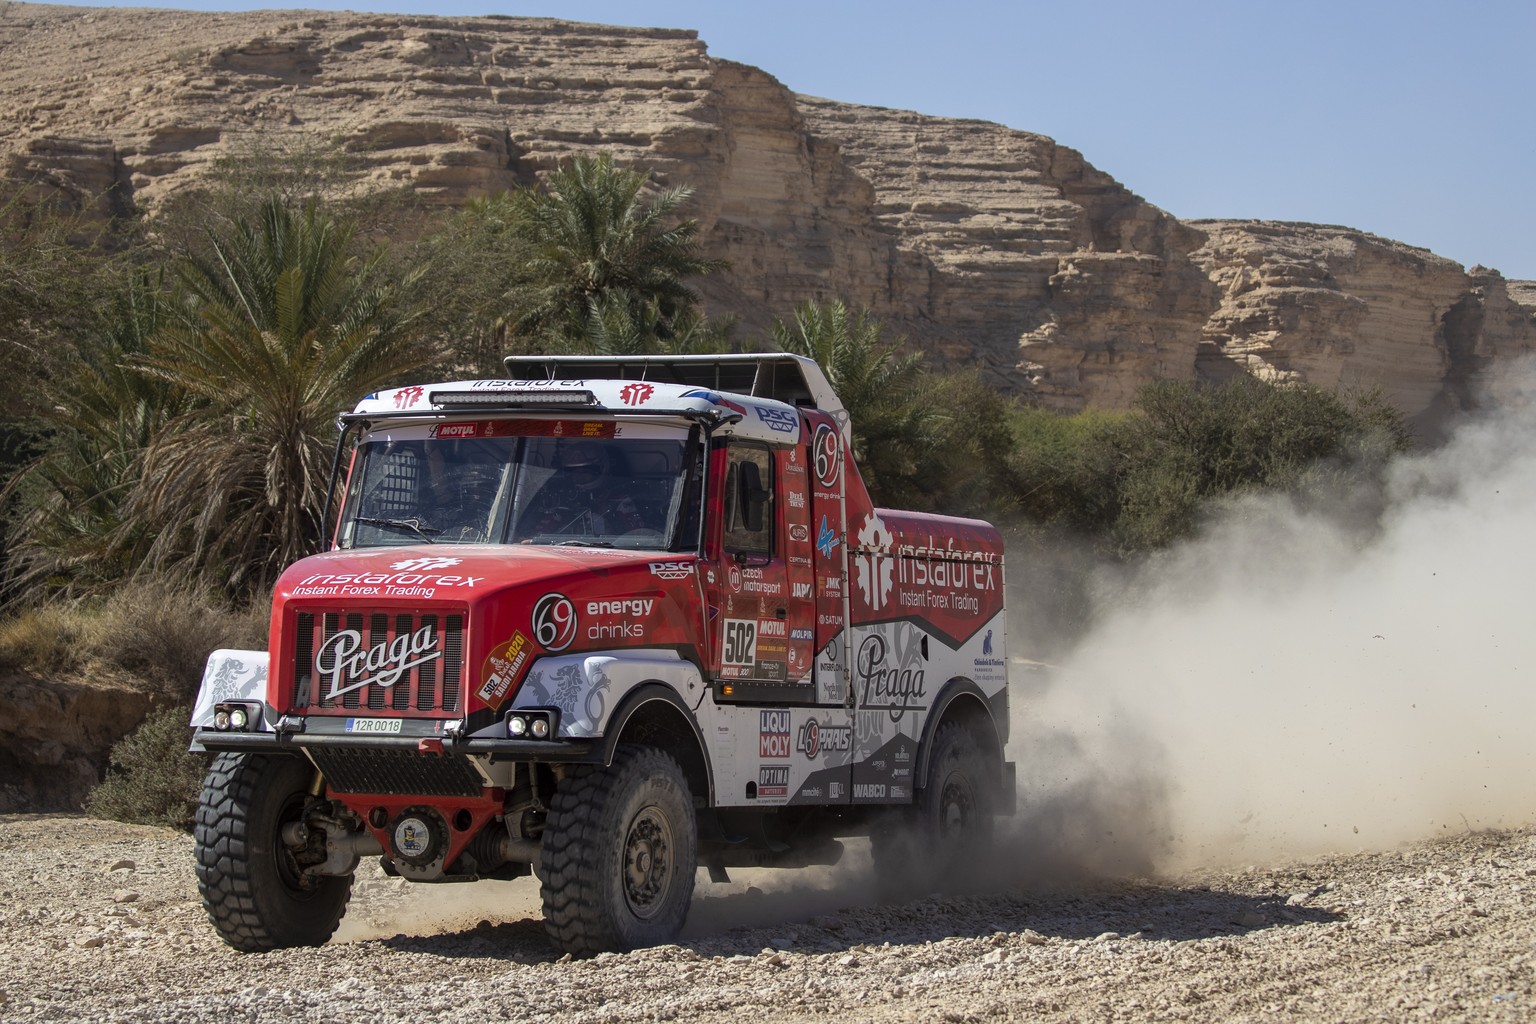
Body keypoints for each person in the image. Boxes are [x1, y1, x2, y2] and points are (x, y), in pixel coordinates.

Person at [523, 439, 646, 537]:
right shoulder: (564, 499)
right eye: (574, 471)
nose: (579, 475)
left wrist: (606, 513)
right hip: (566, 552)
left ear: (601, 468)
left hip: (609, 553)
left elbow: (638, 536)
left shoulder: (618, 500)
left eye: (586, 470)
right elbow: (538, 534)